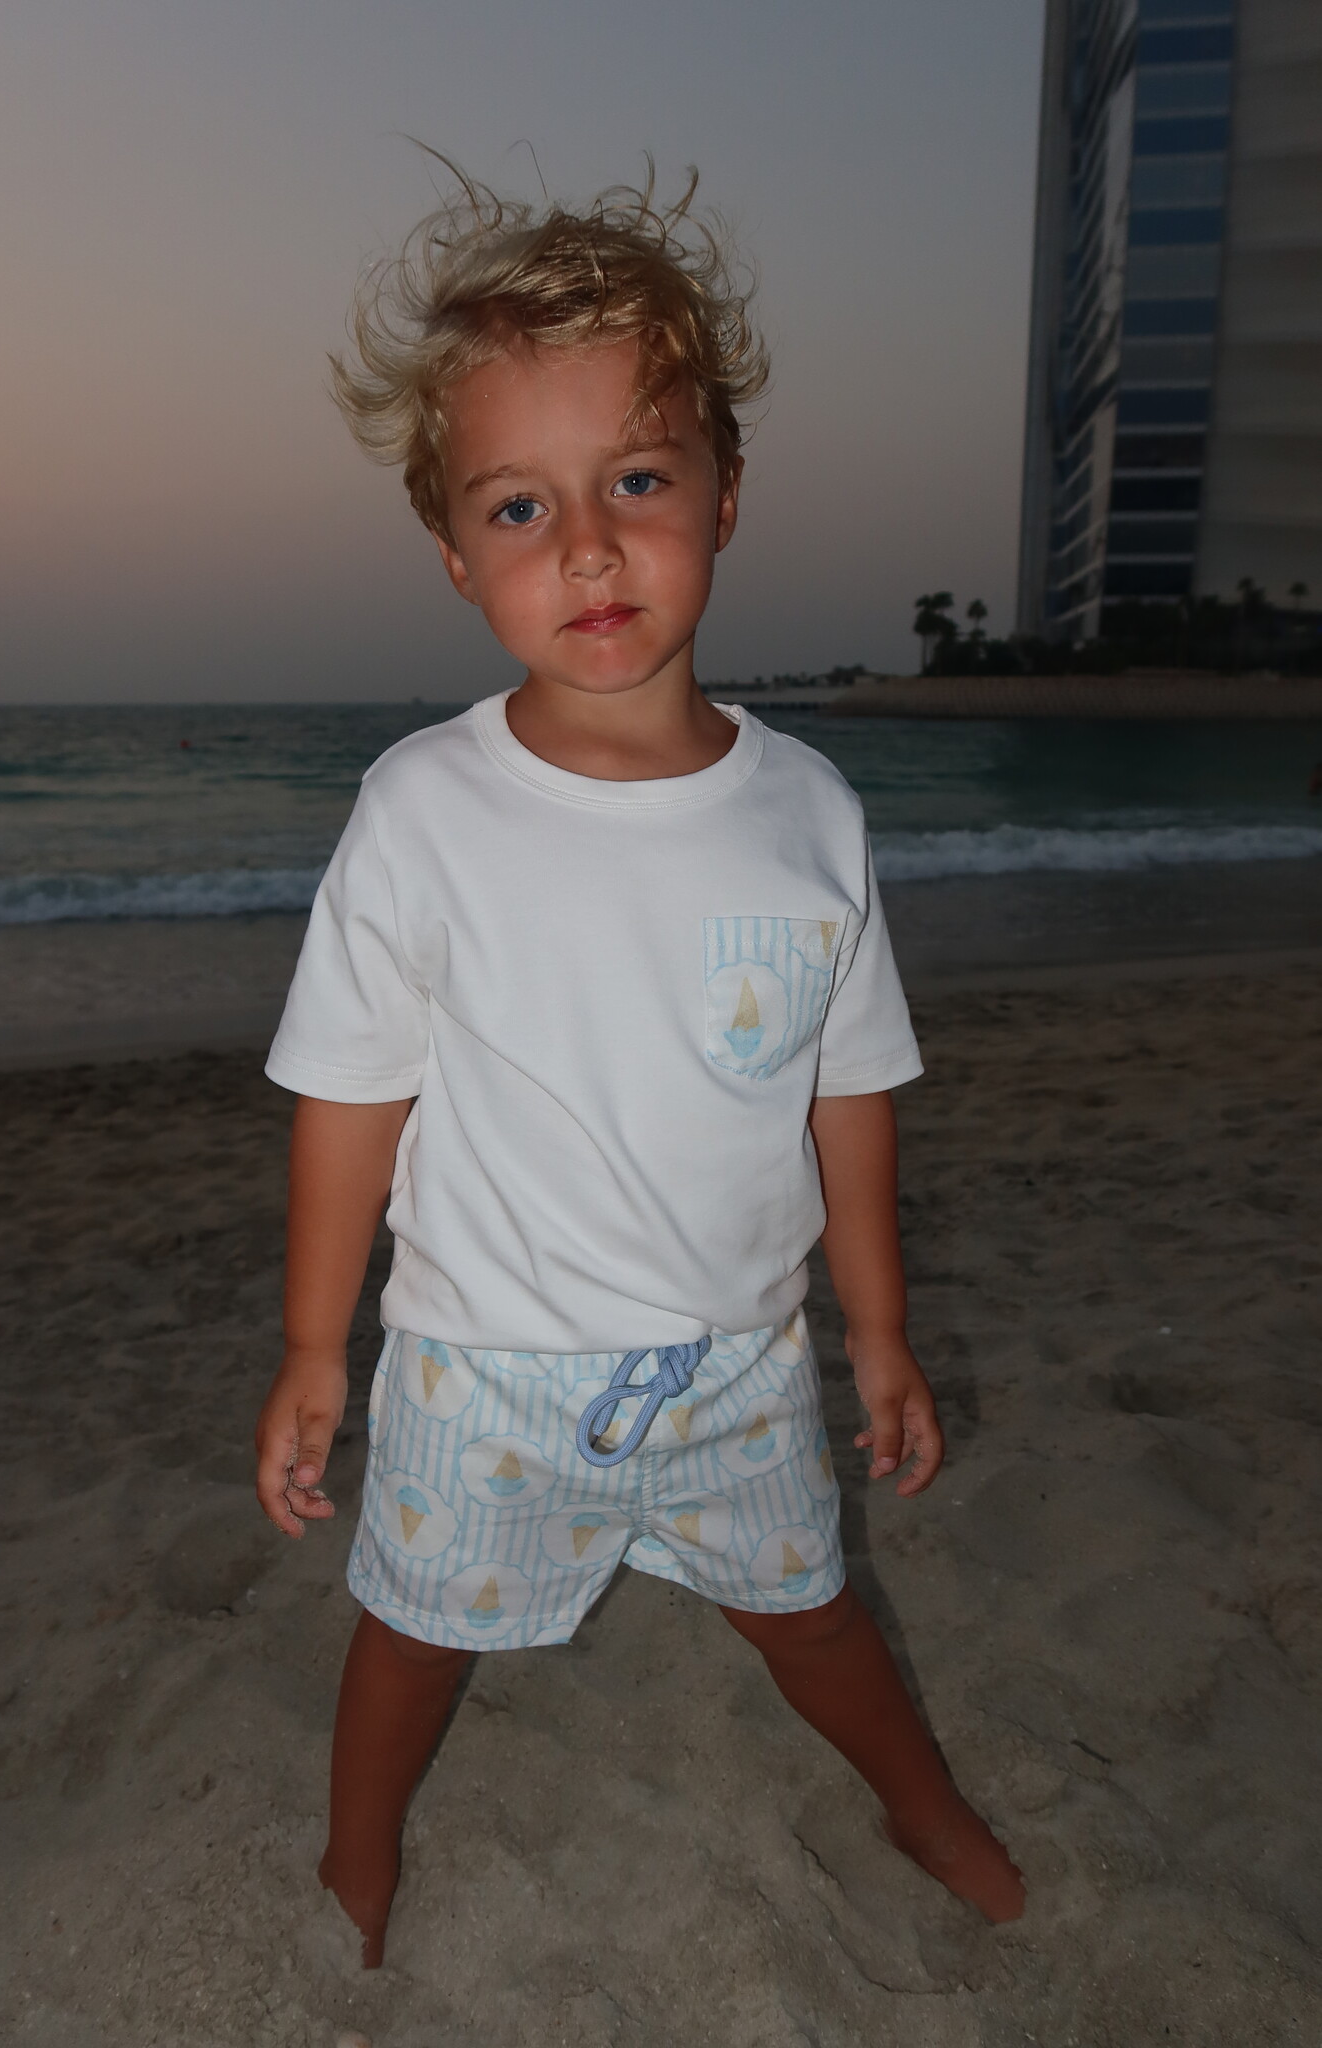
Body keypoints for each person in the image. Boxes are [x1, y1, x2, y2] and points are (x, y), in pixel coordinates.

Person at [254, 166, 1025, 1968]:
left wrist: (879, 1331)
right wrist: (311, 1349)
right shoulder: (424, 809)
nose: (588, 549)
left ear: (724, 496)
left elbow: (846, 1092)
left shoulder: (805, 811)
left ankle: (919, 1806)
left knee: (810, 1612)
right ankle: (357, 1854)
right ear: (456, 556)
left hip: (737, 1365)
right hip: (480, 1372)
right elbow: (350, 1096)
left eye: (639, 483)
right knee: (414, 1634)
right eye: (521, 507)